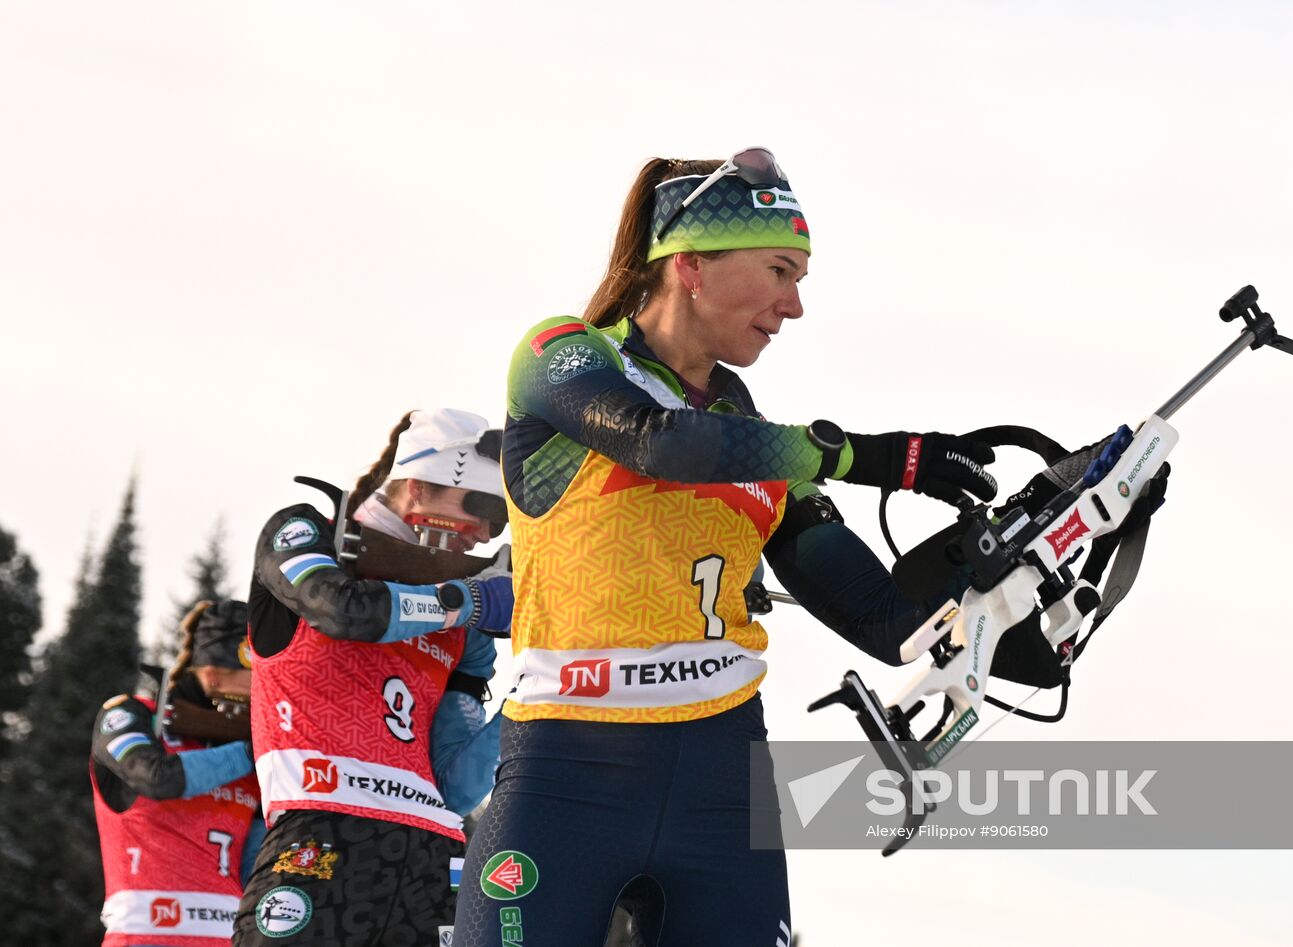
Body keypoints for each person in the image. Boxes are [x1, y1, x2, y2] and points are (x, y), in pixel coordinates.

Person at [450, 149, 1007, 947]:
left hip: (721, 775)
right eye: (781, 270)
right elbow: (662, 444)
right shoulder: (565, 353)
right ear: (691, 266)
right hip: (567, 770)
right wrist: (880, 457)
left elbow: (888, 620)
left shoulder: (753, 434)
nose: (795, 304)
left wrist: (1020, 557)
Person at [233, 408, 513, 947]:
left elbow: (456, 785)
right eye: (479, 506)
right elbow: (342, 609)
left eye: (498, 522)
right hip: (319, 839)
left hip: (437, 859)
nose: (483, 531)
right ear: (416, 487)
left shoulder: (466, 627)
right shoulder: (308, 530)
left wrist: (538, 691)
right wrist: (464, 600)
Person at [91, 599, 263, 947]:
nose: (262, 696)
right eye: (253, 683)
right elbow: (157, 777)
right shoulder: (133, 716)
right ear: (212, 675)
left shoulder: (251, 760)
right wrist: (248, 750)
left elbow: (256, 866)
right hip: (145, 937)